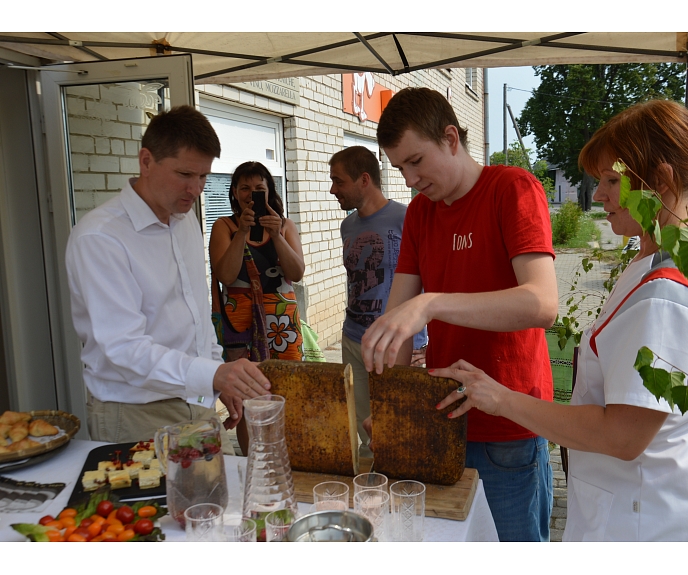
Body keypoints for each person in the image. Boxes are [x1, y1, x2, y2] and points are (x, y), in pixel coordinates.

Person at [434, 99, 688, 541]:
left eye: (612, 180)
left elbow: (621, 436)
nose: (598, 195)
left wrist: (499, 398)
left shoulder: (666, 293)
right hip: (652, 506)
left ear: (660, 180)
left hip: (651, 527)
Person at [361, 87, 558, 541]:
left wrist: (432, 302)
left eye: (416, 161)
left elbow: (542, 303)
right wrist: (390, 407)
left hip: (509, 425)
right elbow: (397, 326)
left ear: (451, 138)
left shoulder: (512, 188)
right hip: (443, 420)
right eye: (399, 168)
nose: (410, 180)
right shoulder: (420, 214)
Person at [66, 106, 272, 447]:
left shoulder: (185, 219)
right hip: (136, 413)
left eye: (203, 176)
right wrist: (213, 374)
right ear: (146, 161)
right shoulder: (100, 237)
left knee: (221, 484)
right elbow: (124, 348)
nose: (196, 189)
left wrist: (216, 376)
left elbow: (196, 315)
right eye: (184, 174)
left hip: (197, 399)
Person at [328, 146, 427, 458]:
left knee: (396, 428)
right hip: (353, 338)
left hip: (394, 344)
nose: (333, 190)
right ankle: (370, 484)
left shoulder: (405, 218)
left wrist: (422, 341)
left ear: (364, 179)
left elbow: (427, 282)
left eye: (338, 181)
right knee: (364, 431)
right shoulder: (347, 225)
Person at [209, 161, 305, 454]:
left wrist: (276, 235)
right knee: (246, 397)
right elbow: (226, 276)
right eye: (244, 188)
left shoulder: (285, 226)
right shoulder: (224, 226)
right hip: (240, 325)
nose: (251, 194)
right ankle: (252, 461)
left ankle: (285, 458)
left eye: (258, 188)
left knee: (286, 390)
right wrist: (242, 232)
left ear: (269, 191)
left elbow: (297, 272)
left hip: (282, 324)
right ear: (234, 192)